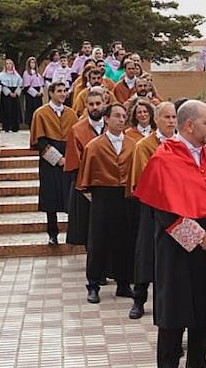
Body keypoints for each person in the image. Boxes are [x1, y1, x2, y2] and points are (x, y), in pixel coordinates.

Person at [134, 100, 206, 368]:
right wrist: (198, 237)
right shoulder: (164, 158)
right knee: (175, 306)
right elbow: (163, 210)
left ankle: (198, 361)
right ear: (189, 125)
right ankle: (168, 366)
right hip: (178, 242)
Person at [79, 102, 140, 304]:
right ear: (106, 119)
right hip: (103, 197)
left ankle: (123, 283)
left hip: (126, 197)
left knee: (124, 240)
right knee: (98, 241)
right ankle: (93, 284)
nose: (121, 120)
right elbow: (84, 180)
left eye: (124, 116)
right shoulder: (94, 146)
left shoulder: (133, 145)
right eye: (117, 116)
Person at [128, 101, 178, 320]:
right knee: (146, 254)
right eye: (166, 117)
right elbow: (141, 180)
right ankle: (139, 299)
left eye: (174, 117)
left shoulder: (181, 143)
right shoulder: (145, 145)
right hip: (152, 207)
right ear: (155, 119)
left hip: (178, 207)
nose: (171, 121)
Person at [30, 81, 79, 246]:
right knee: (50, 197)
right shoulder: (40, 113)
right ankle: (52, 233)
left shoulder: (71, 114)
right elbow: (39, 141)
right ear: (50, 93)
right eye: (59, 91)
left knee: (70, 197)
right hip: (49, 161)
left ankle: (73, 234)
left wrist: (69, 159)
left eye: (65, 91)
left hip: (69, 158)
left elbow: (76, 138)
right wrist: (58, 159)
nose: (63, 94)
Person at [65, 86, 109, 248]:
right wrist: (86, 189)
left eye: (98, 103)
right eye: (91, 104)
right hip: (86, 188)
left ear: (105, 104)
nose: (95, 107)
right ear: (86, 106)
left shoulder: (114, 128)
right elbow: (74, 163)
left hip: (110, 186)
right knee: (89, 232)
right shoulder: (77, 130)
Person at [0, 58, 24, 133]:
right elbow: (2, 85)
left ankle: (15, 126)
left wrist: (16, 92)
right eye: (7, 64)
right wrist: (9, 93)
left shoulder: (16, 74)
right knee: (7, 110)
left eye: (10, 64)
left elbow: (20, 84)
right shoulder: (1, 75)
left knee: (15, 110)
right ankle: (6, 126)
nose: (9, 65)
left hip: (15, 93)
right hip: (6, 95)